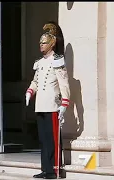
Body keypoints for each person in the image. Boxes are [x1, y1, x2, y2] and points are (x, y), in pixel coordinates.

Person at [26, 23, 70, 179]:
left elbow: (64, 84)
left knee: (52, 139)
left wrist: (64, 103)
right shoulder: (39, 62)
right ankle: (45, 168)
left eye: (43, 43)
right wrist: (30, 91)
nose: (41, 45)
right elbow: (36, 81)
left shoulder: (57, 60)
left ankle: (54, 170)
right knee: (43, 139)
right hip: (40, 105)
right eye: (40, 43)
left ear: (51, 44)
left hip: (52, 105)